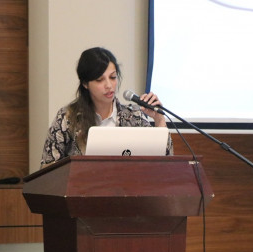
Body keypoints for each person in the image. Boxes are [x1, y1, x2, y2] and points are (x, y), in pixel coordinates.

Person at [40, 47, 173, 166]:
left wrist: (159, 120)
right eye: (100, 80)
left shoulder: (134, 116)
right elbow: (48, 168)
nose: (109, 85)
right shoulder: (67, 118)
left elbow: (165, 164)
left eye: (113, 77)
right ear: (85, 83)